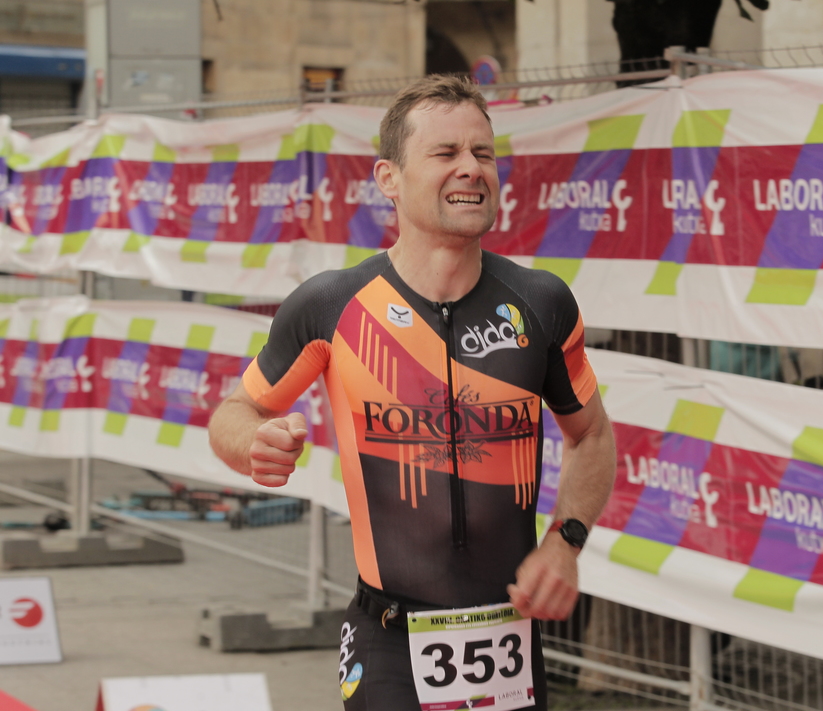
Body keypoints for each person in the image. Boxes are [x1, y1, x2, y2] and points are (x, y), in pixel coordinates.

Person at [208, 75, 617, 711]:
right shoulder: (332, 305)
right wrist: (253, 441)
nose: (471, 168)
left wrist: (566, 542)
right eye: (445, 152)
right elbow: (236, 412)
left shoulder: (540, 303)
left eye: (483, 153)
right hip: (388, 640)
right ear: (389, 178)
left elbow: (591, 434)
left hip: (508, 637)